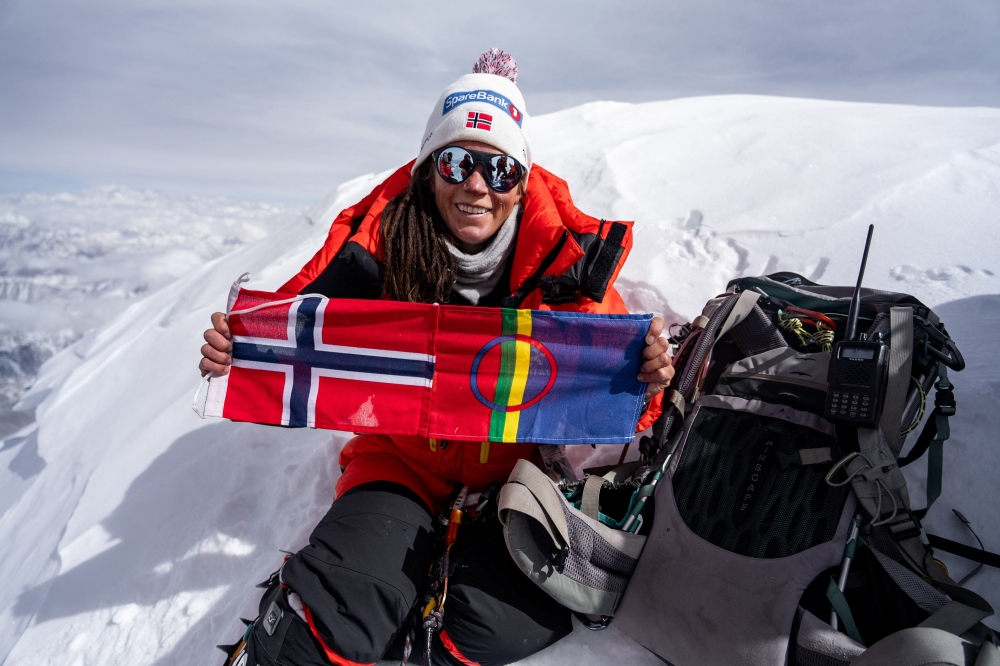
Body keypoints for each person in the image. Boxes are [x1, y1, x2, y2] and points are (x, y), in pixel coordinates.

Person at [201, 49, 674, 666]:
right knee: (344, 605)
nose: (477, 184)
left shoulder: (562, 266)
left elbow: (612, 380)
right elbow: (299, 328)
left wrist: (650, 375)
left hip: (517, 476)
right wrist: (241, 351)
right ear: (430, 169)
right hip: (400, 462)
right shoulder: (378, 251)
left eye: (498, 169)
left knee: (493, 630)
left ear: (521, 180)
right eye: (456, 161)